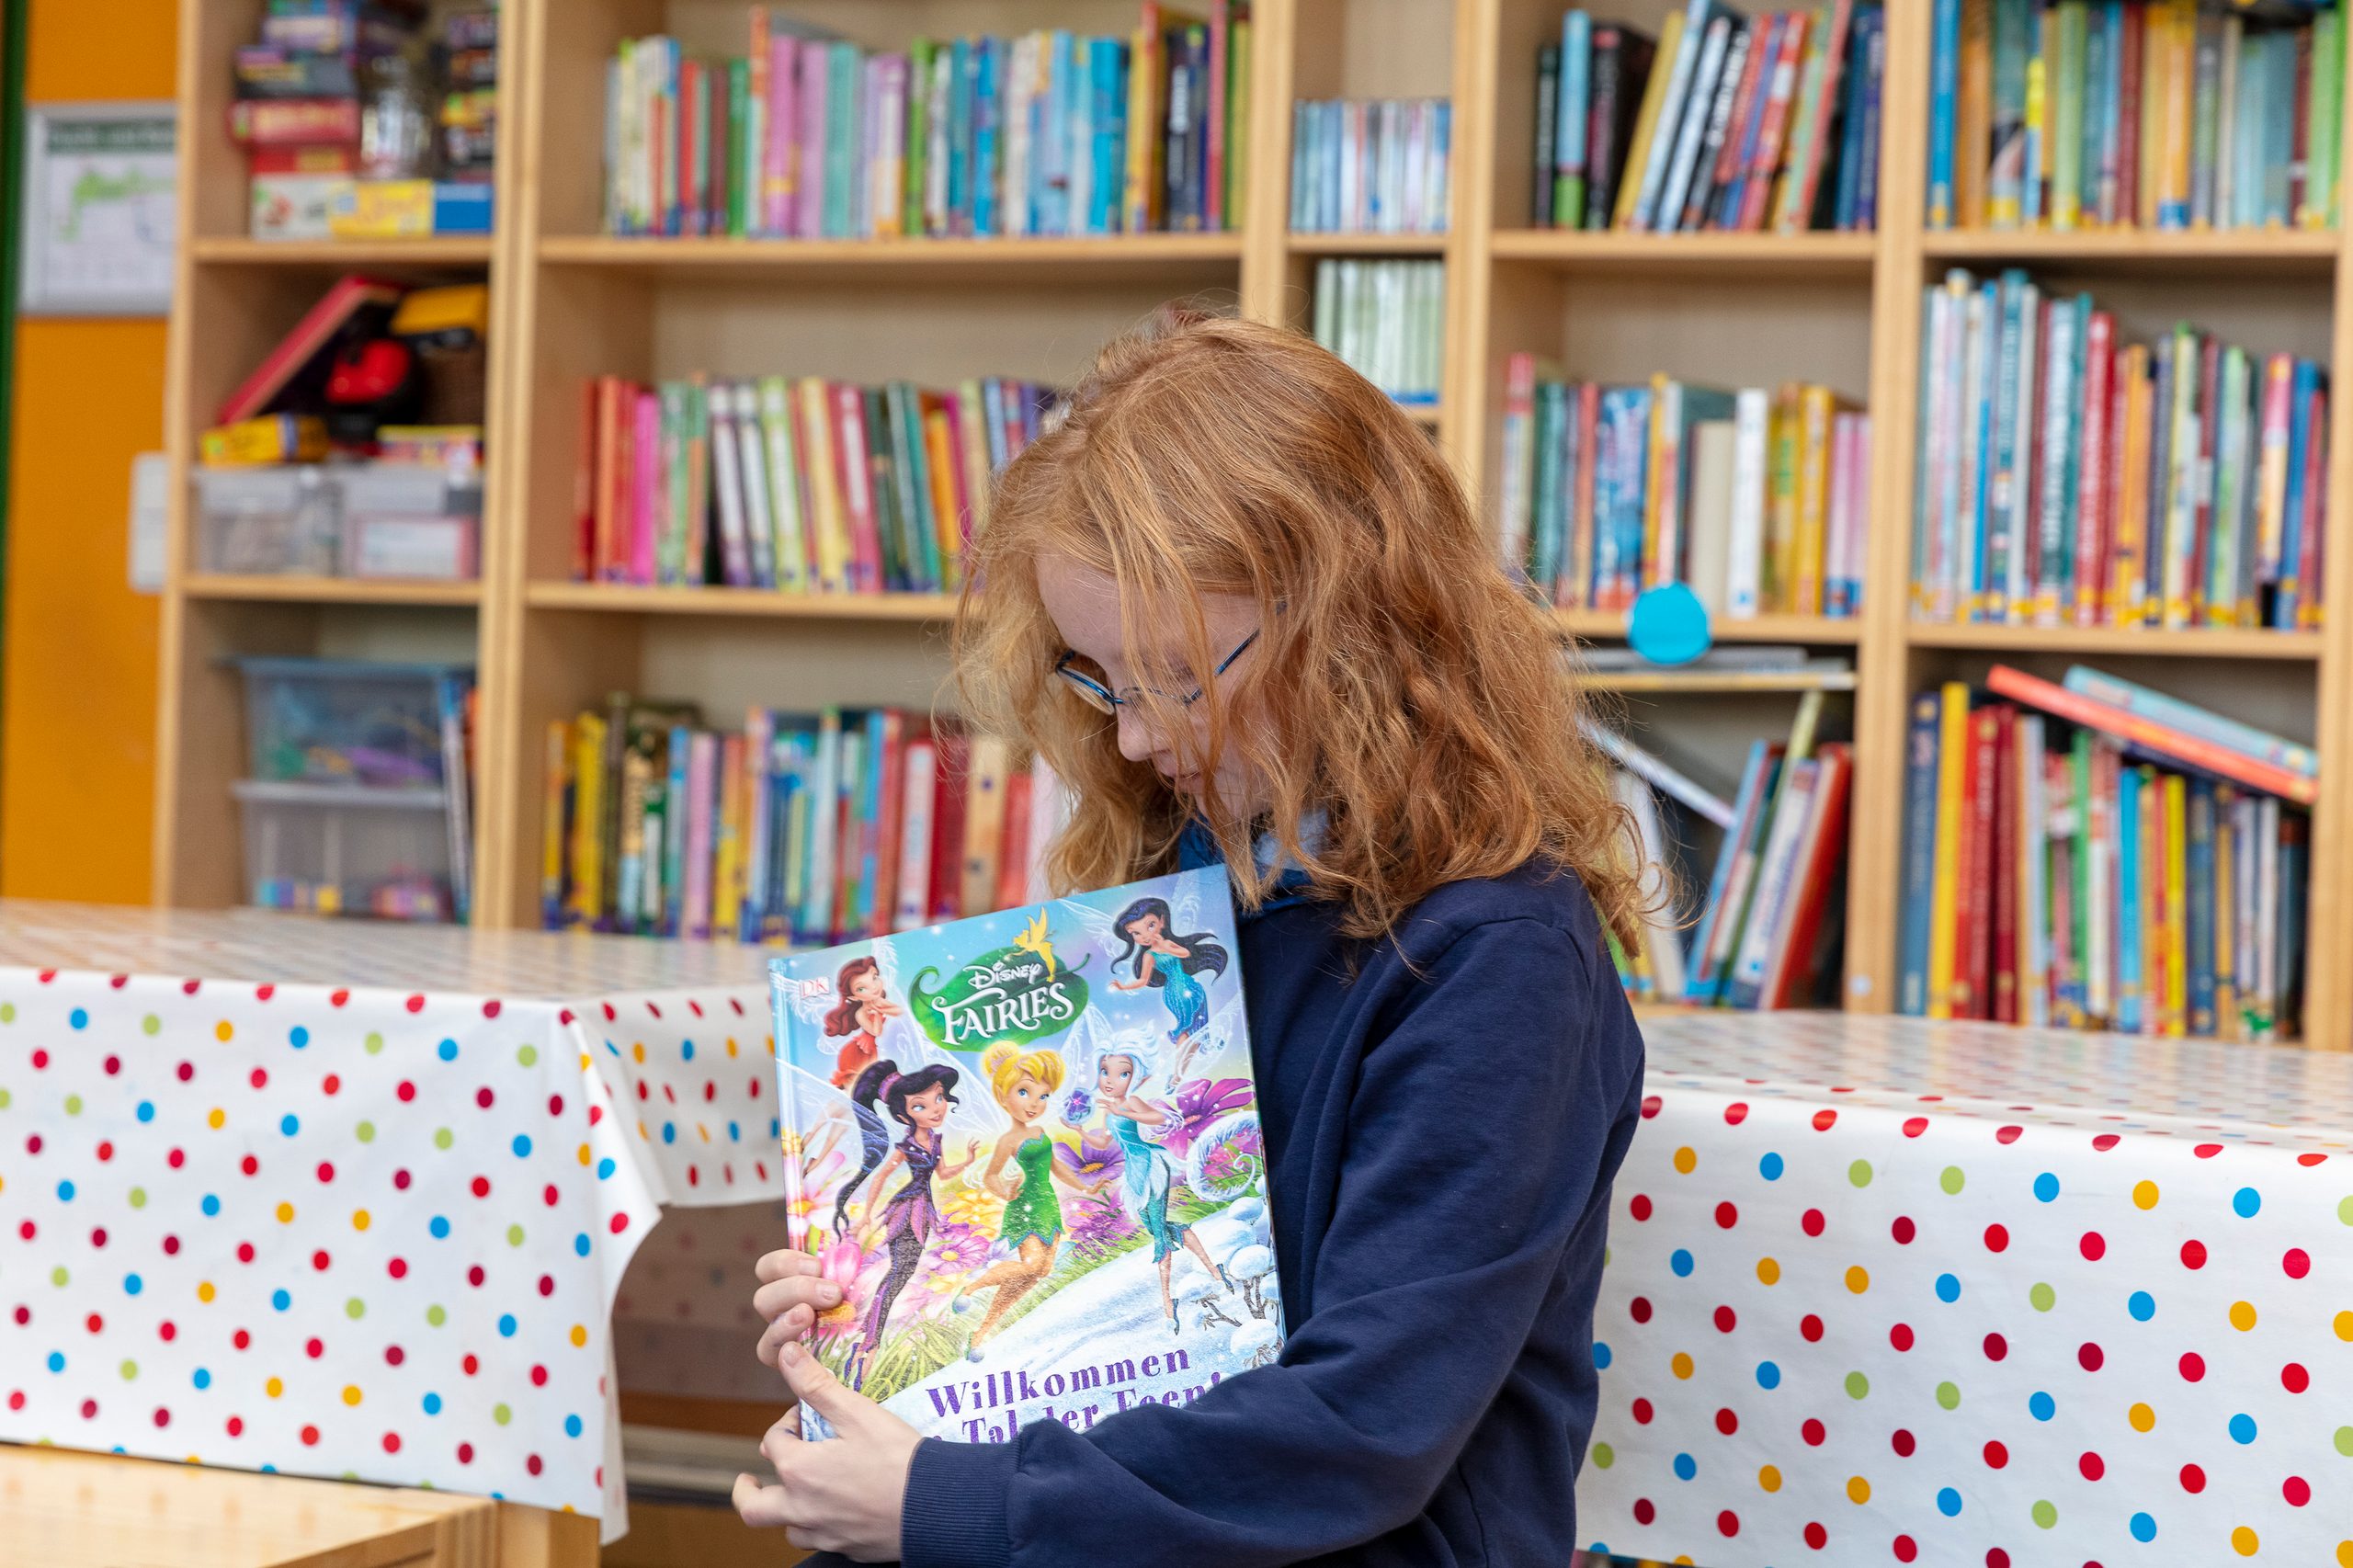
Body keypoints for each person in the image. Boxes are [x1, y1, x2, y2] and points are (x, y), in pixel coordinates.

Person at [739, 310, 1650, 1567]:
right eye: (1101, 678)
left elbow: (1363, 1424)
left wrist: (951, 1500)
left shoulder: (1499, 957)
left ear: (1349, 620)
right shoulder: (1181, 888)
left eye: (1175, 677)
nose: (1127, 737)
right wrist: (887, 1328)